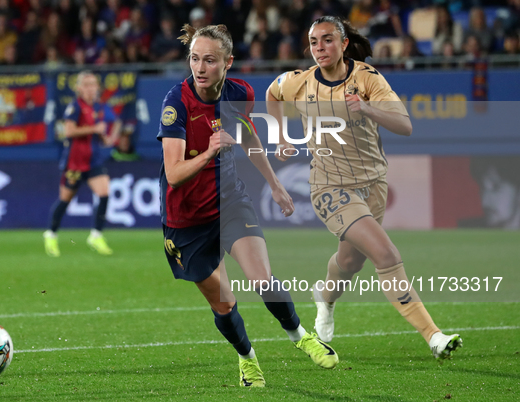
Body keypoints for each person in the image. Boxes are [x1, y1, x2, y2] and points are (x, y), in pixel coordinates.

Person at [266, 16, 462, 360]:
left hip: (373, 186)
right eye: (313, 42)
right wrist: (279, 137)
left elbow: (405, 125)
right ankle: (433, 335)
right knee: (386, 255)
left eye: (327, 40)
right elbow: (272, 92)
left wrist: (368, 108)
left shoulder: (367, 79)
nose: (319, 48)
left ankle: (324, 296)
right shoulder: (299, 82)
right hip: (329, 186)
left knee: (350, 261)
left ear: (343, 44)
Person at [158, 24, 338, 388]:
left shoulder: (240, 93)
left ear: (228, 62)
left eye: (210, 60)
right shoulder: (176, 104)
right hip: (186, 222)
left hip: (230, 202)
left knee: (263, 279)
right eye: (195, 59)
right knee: (224, 304)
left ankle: (301, 336)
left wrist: (274, 185)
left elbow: (248, 135)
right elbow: (174, 174)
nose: (200, 67)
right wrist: (209, 150)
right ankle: (247, 358)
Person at [43, 71, 121, 257]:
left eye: (93, 84)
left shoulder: (99, 107)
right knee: (65, 200)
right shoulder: (75, 107)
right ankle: (51, 234)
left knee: (104, 193)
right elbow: (68, 131)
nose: (90, 88)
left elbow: (115, 123)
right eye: (86, 84)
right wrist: (95, 129)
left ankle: (96, 235)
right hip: (75, 162)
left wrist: (109, 138)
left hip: (93, 160)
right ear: (78, 88)